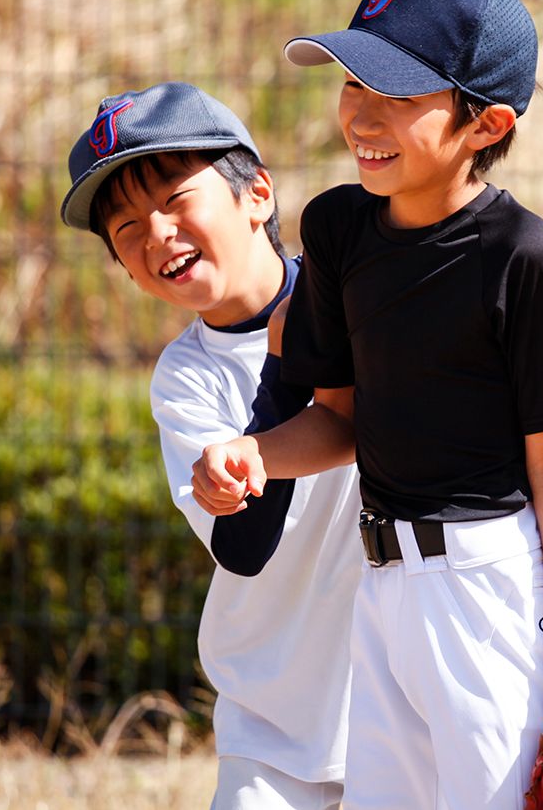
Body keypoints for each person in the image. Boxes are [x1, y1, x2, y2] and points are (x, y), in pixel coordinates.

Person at [190, 0, 543, 810]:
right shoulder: (337, 228)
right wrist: (255, 455)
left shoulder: (522, 254)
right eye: (354, 81)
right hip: (383, 585)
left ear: (485, 122)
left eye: (396, 91)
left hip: (489, 587)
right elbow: (340, 420)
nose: (361, 113)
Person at [59, 82, 363, 810]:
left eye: (174, 198)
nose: (157, 232)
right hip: (273, 721)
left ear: (257, 194)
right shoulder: (186, 380)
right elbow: (245, 546)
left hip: (401, 702)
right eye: (126, 228)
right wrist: (284, 365)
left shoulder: (362, 297)